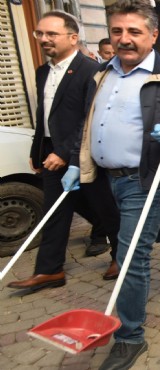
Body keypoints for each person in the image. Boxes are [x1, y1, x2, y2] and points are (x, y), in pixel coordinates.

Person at [61, 1, 160, 367]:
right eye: (117, 31)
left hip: (148, 178)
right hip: (107, 178)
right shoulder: (101, 74)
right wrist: (74, 162)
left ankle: (130, 336)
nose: (124, 39)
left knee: (131, 255)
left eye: (134, 32)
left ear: (153, 35)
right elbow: (88, 122)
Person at [7, 11, 120, 293]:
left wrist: (65, 152)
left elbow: (88, 117)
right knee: (54, 212)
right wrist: (37, 149)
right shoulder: (42, 71)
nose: (44, 39)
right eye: (39, 34)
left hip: (82, 152)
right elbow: (43, 113)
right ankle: (49, 270)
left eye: (51, 34)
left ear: (73, 37)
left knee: (104, 207)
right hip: (50, 151)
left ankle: (122, 255)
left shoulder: (90, 69)